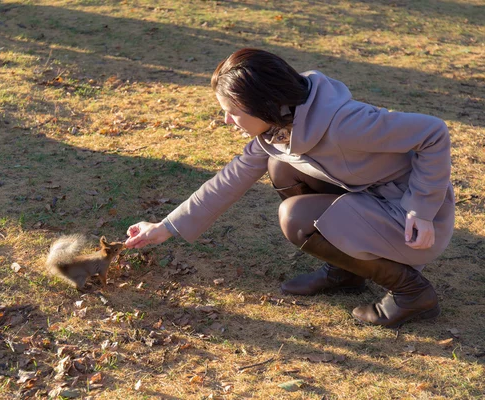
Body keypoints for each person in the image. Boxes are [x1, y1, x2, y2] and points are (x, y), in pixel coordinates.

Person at [124, 48, 455, 328]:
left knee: (295, 218)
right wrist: (165, 226)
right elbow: (231, 178)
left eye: (232, 112)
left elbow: (433, 133)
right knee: (279, 165)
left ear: (264, 104)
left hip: (410, 220)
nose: (227, 121)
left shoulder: (345, 124)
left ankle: (412, 294)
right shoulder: (280, 127)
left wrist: (421, 209)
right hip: (370, 198)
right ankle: (346, 272)